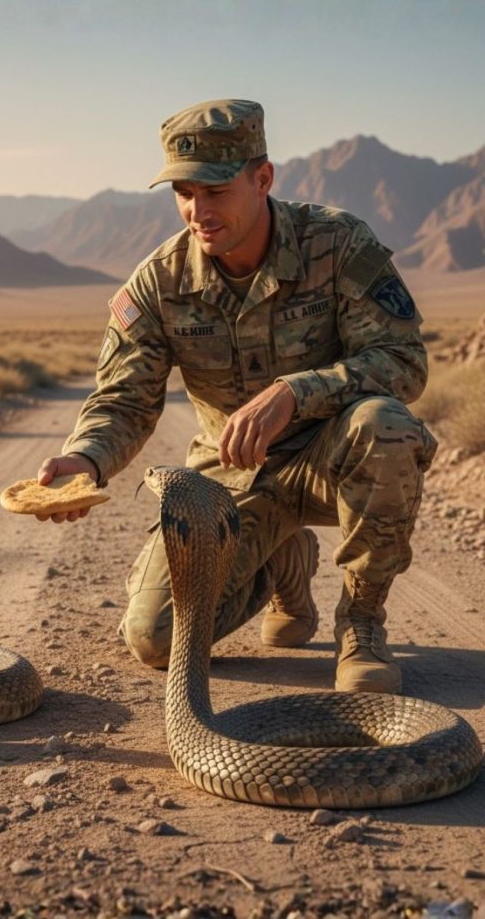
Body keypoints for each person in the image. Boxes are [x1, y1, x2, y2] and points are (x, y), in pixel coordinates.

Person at [35, 98, 436, 694]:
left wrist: (295, 393)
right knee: (155, 638)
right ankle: (282, 558)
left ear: (262, 178)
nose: (198, 211)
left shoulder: (339, 243)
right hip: (233, 477)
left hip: (332, 456)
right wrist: (85, 459)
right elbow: (123, 399)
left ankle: (362, 624)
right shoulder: (158, 283)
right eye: (184, 192)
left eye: (216, 191)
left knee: (388, 426)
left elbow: (403, 361)